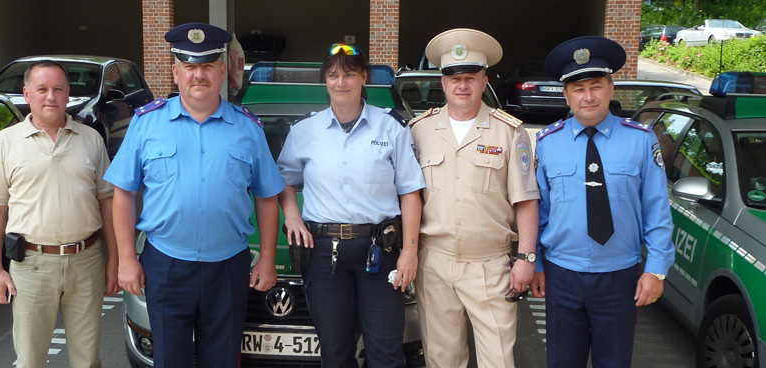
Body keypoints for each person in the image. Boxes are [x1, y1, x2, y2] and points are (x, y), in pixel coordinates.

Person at [103, 23, 284, 368]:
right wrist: (127, 258)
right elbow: (123, 193)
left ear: (221, 71)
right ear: (175, 72)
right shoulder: (146, 124)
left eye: (207, 66)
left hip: (228, 265)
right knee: (169, 359)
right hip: (166, 263)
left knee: (223, 359)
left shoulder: (248, 128)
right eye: (189, 67)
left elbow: (266, 196)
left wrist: (266, 258)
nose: (198, 75)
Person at [277, 43, 425, 368]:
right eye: (332, 75)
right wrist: (291, 216)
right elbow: (284, 180)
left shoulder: (391, 127)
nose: (340, 82)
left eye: (348, 74)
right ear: (324, 80)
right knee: (335, 352)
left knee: (386, 353)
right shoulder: (304, 131)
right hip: (323, 253)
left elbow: (411, 192)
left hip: (380, 253)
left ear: (363, 77)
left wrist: (410, 251)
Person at [533, 36, 675, 367]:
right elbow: (539, 211)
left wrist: (656, 269)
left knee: (614, 362)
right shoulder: (547, 143)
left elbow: (657, 210)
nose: (588, 97)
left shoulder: (641, 140)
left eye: (595, 86)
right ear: (567, 95)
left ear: (611, 88)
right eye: (578, 89)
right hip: (562, 274)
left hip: (620, 276)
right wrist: (537, 263)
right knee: (562, 361)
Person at [408, 28, 540, 368]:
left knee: (498, 358)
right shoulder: (419, 130)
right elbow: (408, 197)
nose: (462, 85)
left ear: (484, 81)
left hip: (489, 265)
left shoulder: (510, 132)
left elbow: (525, 199)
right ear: (443, 82)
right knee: (442, 358)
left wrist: (526, 257)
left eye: (470, 77)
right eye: (454, 78)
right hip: (433, 263)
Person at [0, 60, 119, 368]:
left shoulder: (90, 139)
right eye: (42, 89)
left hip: (87, 260)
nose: (50, 97)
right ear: (27, 92)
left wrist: (115, 260)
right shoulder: (5, 143)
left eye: (58, 89)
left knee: (87, 360)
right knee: (30, 360)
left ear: (68, 94)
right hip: (31, 264)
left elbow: (107, 203)